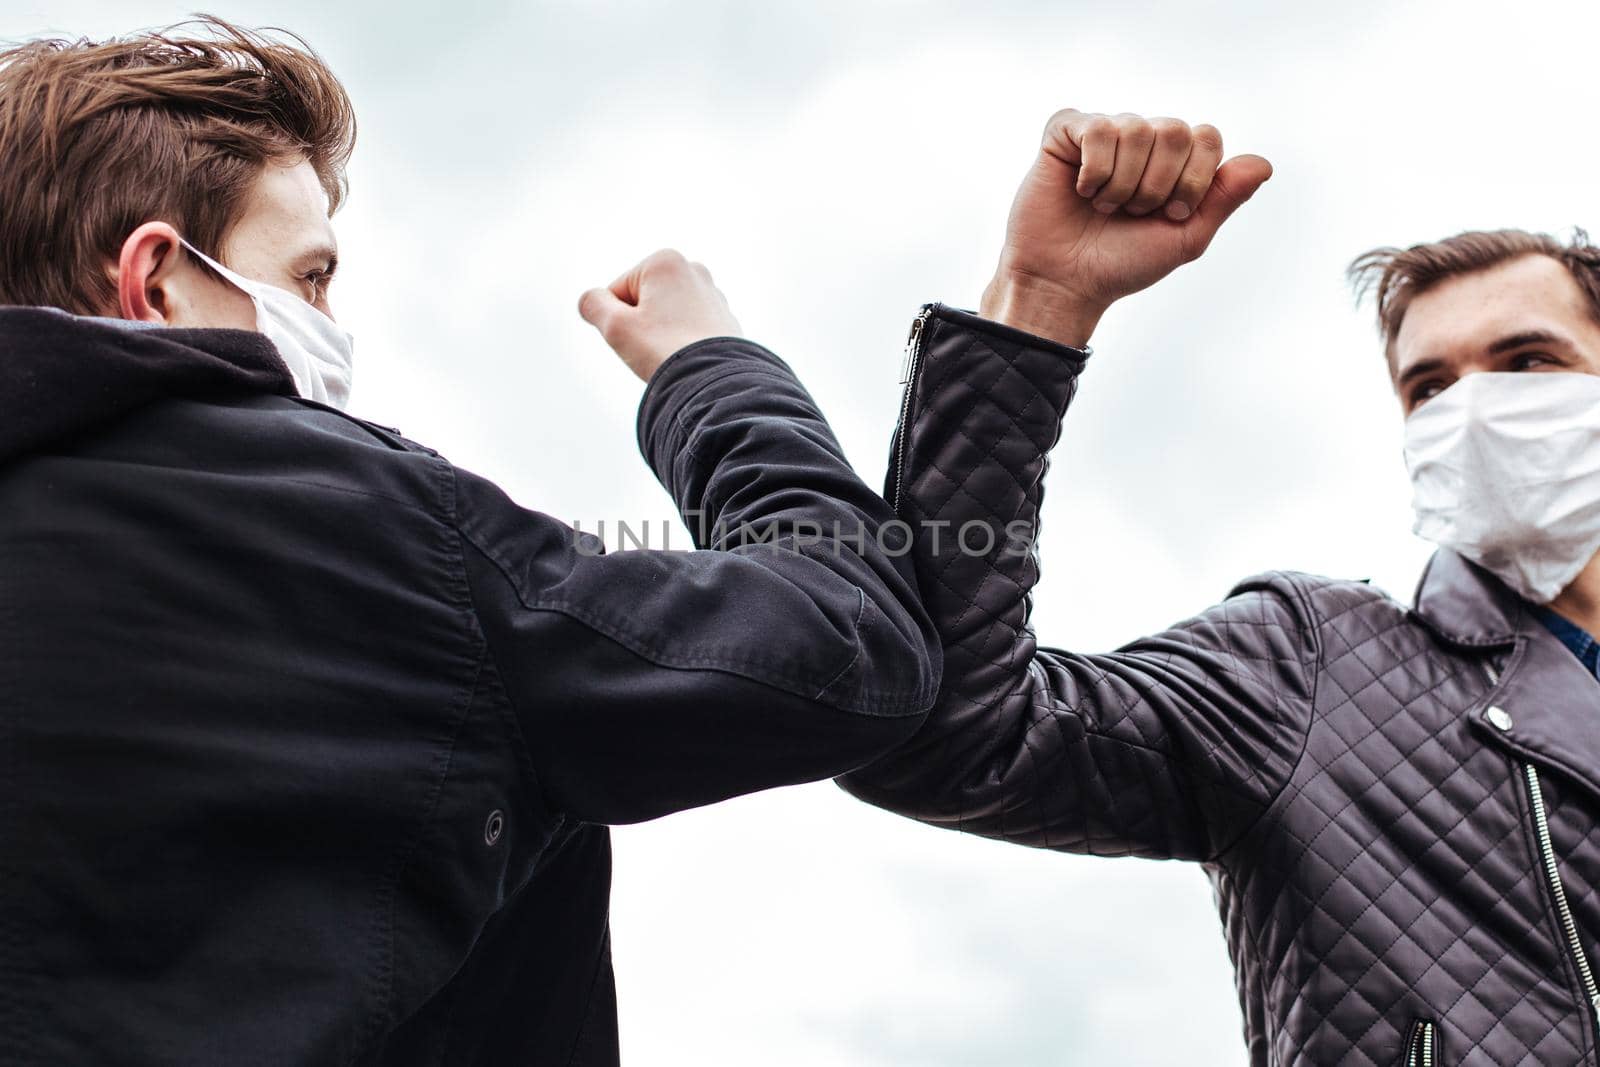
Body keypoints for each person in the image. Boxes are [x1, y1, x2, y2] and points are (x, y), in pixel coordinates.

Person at [0, 16, 941, 1065]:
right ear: (158, 280)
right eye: (312, 277)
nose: (333, 322)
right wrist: (709, 367)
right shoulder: (360, 534)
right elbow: (849, 643)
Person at [842, 106, 1600, 1065]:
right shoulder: (1314, 665)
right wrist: (1038, 302)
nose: (1476, 411)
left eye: (1528, 363)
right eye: (1431, 389)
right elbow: (941, 733)